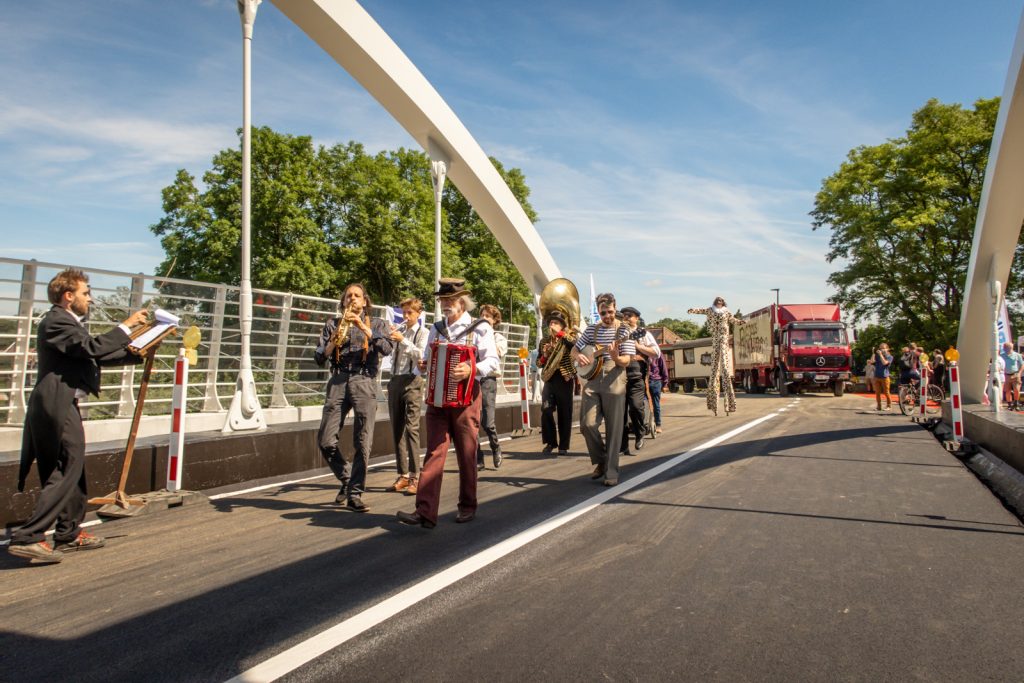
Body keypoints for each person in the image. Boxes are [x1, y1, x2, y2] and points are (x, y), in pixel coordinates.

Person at [9, 268, 148, 564]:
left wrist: (137, 353)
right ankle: (29, 536)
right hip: (54, 404)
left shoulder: (68, 322)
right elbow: (90, 348)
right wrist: (126, 326)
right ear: (69, 296)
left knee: (72, 465)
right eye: (86, 293)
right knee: (66, 466)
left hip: (62, 403)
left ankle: (69, 533)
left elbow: (93, 355)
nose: (90, 298)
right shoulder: (56, 321)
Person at [396, 278, 499, 528]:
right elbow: (428, 359)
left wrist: (470, 368)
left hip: (466, 400)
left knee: (467, 455)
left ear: (462, 301)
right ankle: (425, 512)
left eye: (449, 300)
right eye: (442, 300)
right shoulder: (437, 328)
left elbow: (493, 362)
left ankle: (467, 505)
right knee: (434, 454)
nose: (445, 304)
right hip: (438, 402)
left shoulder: (480, 327)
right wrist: (423, 365)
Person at [314, 283, 394, 513]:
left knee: (363, 440)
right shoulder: (332, 324)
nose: (352, 299)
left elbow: (387, 349)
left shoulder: (377, 323)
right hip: (338, 379)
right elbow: (318, 358)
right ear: (343, 301)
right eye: (348, 296)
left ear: (365, 301)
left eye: (357, 296)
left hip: (364, 380)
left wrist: (363, 327)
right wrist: (331, 344)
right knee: (326, 440)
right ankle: (347, 479)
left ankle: (356, 493)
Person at [572, 293, 635, 487]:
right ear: (598, 311)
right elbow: (575, 349)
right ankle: (601, 460)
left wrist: (616, 357)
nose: (607, 315)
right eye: (603, 312)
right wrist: (579, 357)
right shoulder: (592, 330)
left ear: (615, 309)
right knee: (587, 424)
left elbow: (626, 361)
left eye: (610, 312)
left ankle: (611, 472)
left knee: (614, 428)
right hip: (592, 379)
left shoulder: (626, 330)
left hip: (615, 376)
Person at [387, 297, 429, 496]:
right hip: (395, 380)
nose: (406, 316)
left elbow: (422, 355)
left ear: (418, 314)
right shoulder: (400, 331)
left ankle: (415, 476)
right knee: (397, 428)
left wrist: (402, 341)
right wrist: (390, 338)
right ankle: (402, 474)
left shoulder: (424, 332)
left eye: (409, 313)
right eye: (403, 312)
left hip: (413, 381)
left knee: (412, 428)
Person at [687, 297, 744, 416]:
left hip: (724, 338)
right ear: (715, 302)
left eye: (721, 301)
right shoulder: (710, 310)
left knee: (725, 367)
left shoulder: (726, 312)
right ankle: (714, 403)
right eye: (717, 301)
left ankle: (729, 403)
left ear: (723, 303)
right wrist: (692, 310)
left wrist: (740, 322)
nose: (719, 303)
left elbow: (733, 320)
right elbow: (701, 310)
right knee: (714, 370)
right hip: (715, 339)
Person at [620, 307, 659, 454]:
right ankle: (622, 445)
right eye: (624, 316)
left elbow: (656, 352)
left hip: (636, 376)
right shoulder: (617, 332)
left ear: (636, 318)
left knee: (636, 407)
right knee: (620, 412)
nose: (626, 318)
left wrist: (638, 346)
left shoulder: (643, 334)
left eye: (629, 315)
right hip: (619, 376)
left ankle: (639, 434)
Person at [537, 310, 576, 454]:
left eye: (555, 323)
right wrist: (545, 355)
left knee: (565, 413)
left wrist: (560, 334)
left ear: (562, 326)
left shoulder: (568, 337)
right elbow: (539, 363)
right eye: (550, 323)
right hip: (550, 378)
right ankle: (550, 442)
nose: (552, 325)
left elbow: (574, 344)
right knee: (546, 409)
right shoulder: (544, 341)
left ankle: (563, 446)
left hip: (565, 377)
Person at [476, 304, 507, 470]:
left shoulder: (499, 338)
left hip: (489, 379)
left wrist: (483, 338)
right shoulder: (473, 335)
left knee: (487, 422)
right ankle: (478, 458)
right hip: (473, 378)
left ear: (495, 321)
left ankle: (495, 447)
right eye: (482, 315)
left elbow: (496, 352)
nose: (484, 319)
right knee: (472, 421)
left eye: (488, 316)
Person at [648, 348, 669, 434]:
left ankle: (658, 425)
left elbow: (663, 368)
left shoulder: (658, 353)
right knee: (642, 404)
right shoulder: (641, 351)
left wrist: (665, 383)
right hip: (643, 381)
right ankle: (644, 424)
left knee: (656, 404)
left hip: (655, 381)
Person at [1000, 341, 1022, 410]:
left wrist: (1019, 373)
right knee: (1007, 390)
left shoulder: (1017, 355)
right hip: (1006, 375)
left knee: (1016, 389)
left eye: (1009, 347)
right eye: (1006, 347)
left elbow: (1022, 364)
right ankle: (1009, 404)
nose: (1007, 349)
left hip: (1015, 374)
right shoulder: (1002, 355)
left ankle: (1016, 403)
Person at [873, 343, 893, 411]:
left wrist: (881, 355)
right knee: (877, 392)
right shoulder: (877, 355)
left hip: (885, 376)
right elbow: (872, 361)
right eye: (881, 348)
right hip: (877, 376)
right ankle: (879, 406)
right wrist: (873, 353)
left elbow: (885, 363)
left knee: (886, 392)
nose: (882, 349)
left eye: (884, 348)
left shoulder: (889, 356)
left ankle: (889, 406)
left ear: (887, 349)